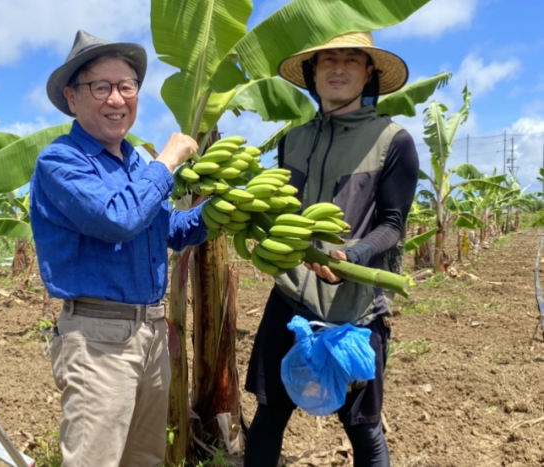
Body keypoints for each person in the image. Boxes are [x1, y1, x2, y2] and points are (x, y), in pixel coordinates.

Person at [29, 30, 209, 467]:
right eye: (101, 87)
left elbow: (169, 230)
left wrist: (218, 213)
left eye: (126, 86)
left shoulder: (135, 163)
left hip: (151, 335)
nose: (116, 98)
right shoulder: (61, 161)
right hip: (98, 339)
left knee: (144, 459)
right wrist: (167, 162)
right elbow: (118, 218)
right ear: (72, 99)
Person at [243, 31, 419, 467]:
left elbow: (392, 225)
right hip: (291, 296)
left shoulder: (393, 141)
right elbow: (281, 209)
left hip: (355, 306)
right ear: (312, 73)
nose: (338, 68)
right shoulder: (293, 140)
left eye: (351, 60)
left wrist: (353, 257)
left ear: (368, 73)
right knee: (269, 414)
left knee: (363, 427)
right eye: (327, 60)